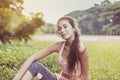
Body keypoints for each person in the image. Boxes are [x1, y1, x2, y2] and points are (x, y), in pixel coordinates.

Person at [13, 16, 90, 80]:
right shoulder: (58, 46)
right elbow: (32, 58)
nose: (62, 30)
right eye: (59, 28)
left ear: (73, 28)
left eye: (65, 26)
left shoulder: (80, 48)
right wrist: (16, 78)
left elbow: (86, 76)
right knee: (35, 66)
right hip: (59, 79)